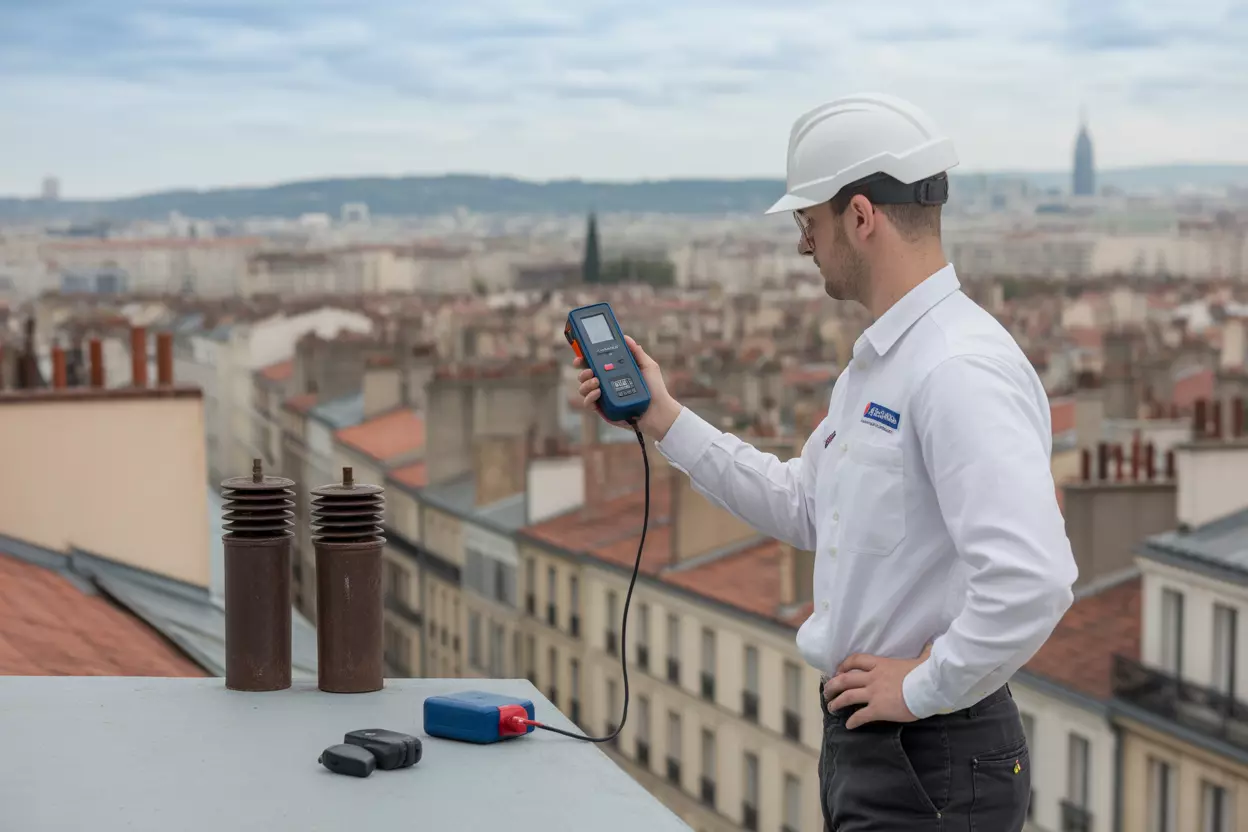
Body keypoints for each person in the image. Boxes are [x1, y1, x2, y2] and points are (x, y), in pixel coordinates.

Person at [572, 92, 1077, 831]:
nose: (804, 246)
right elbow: (806, 505)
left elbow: (1034, 580)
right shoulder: (884, 364)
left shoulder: (956, 368)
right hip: (891, 745)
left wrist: (922, 688)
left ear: (861, 216)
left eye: (808, 223)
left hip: (930, 751)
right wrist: (663, 418)